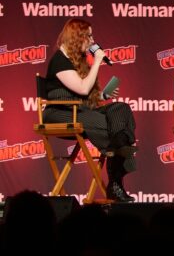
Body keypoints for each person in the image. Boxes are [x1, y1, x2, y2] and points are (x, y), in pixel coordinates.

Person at [42, 18, 137, 202]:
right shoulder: (60, 60)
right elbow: (83, 89)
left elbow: (84, 96)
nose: (93, 41)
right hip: (60, 113)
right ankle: (116, 184)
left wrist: (102, 96)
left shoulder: (78, 59)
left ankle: (115, 181)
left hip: (80, 110)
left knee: (121, 109)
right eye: (89, 36)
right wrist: (98, 61)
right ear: (78, 37)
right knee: (107, 125)